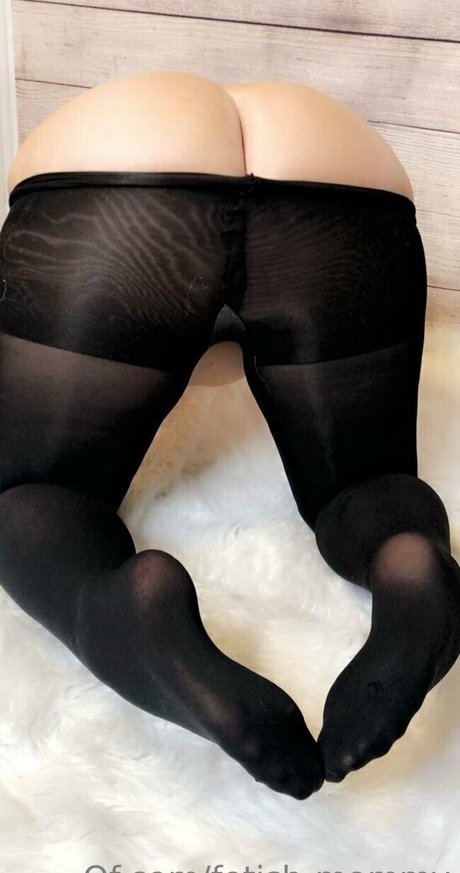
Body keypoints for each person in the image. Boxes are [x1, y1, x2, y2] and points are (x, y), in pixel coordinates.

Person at [1, 70, 458, 801]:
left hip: (118, 194)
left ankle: (109, 605)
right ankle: (411, 565)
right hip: (345, 183)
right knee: (363, 483)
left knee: (35, 493)